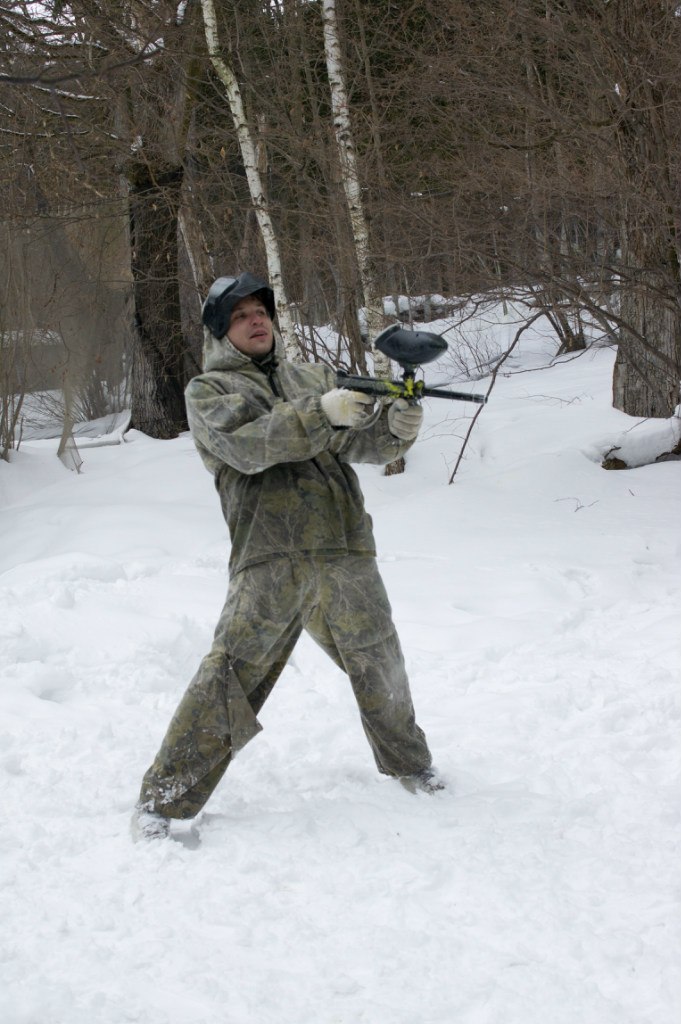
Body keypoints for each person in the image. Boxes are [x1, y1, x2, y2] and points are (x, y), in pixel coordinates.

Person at [132, 272, 443, 841]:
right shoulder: (209, 391)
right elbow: (249, 447)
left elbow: (361, 443)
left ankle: (411, 766)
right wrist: (323, 412)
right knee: (230, 675)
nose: (257, 320)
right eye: (242, 315)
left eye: (262, 311)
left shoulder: (313, 378)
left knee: (380, 660)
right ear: (222, 333)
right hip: (269, 554)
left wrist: (396, 426)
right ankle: (164, 799)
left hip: (344, 546)